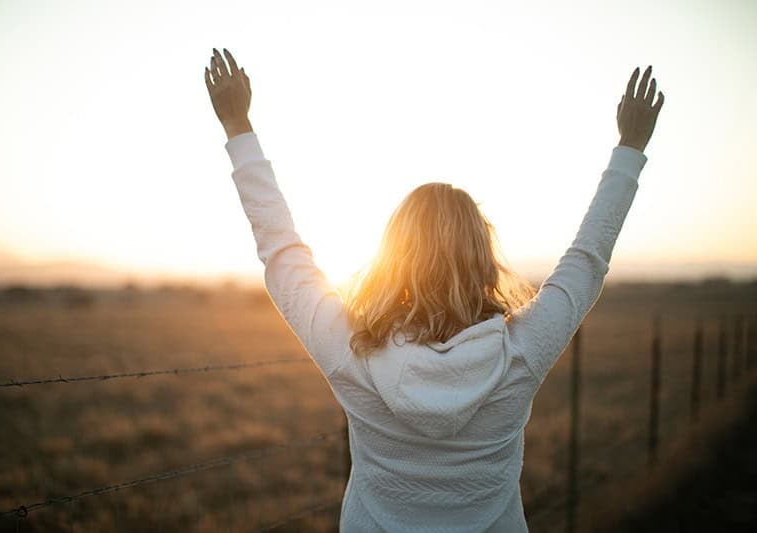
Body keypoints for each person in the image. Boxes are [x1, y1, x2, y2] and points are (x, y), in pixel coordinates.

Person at [204, 48, 664, 532]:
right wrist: (629, 148)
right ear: (482, 259)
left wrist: (239, 129)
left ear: (393, 261)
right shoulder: (518, 353)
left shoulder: (351, 353)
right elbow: (586, 263)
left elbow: (283, 255)